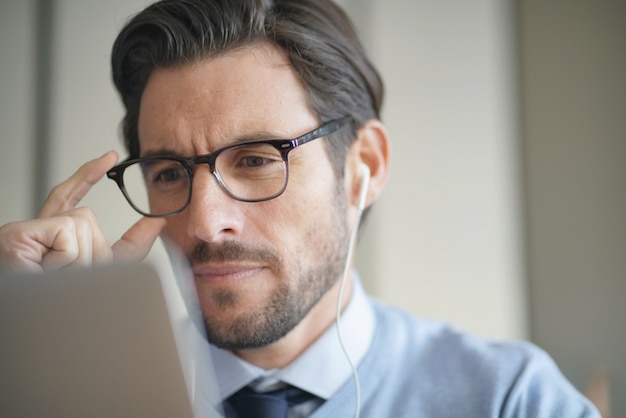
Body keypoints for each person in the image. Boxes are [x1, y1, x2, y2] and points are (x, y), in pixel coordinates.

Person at [0, 0, 600, 417]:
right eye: (169, 173)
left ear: (364, 165)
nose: (205, 222)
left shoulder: (512, 401)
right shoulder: (72, 397)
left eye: (257, 160)